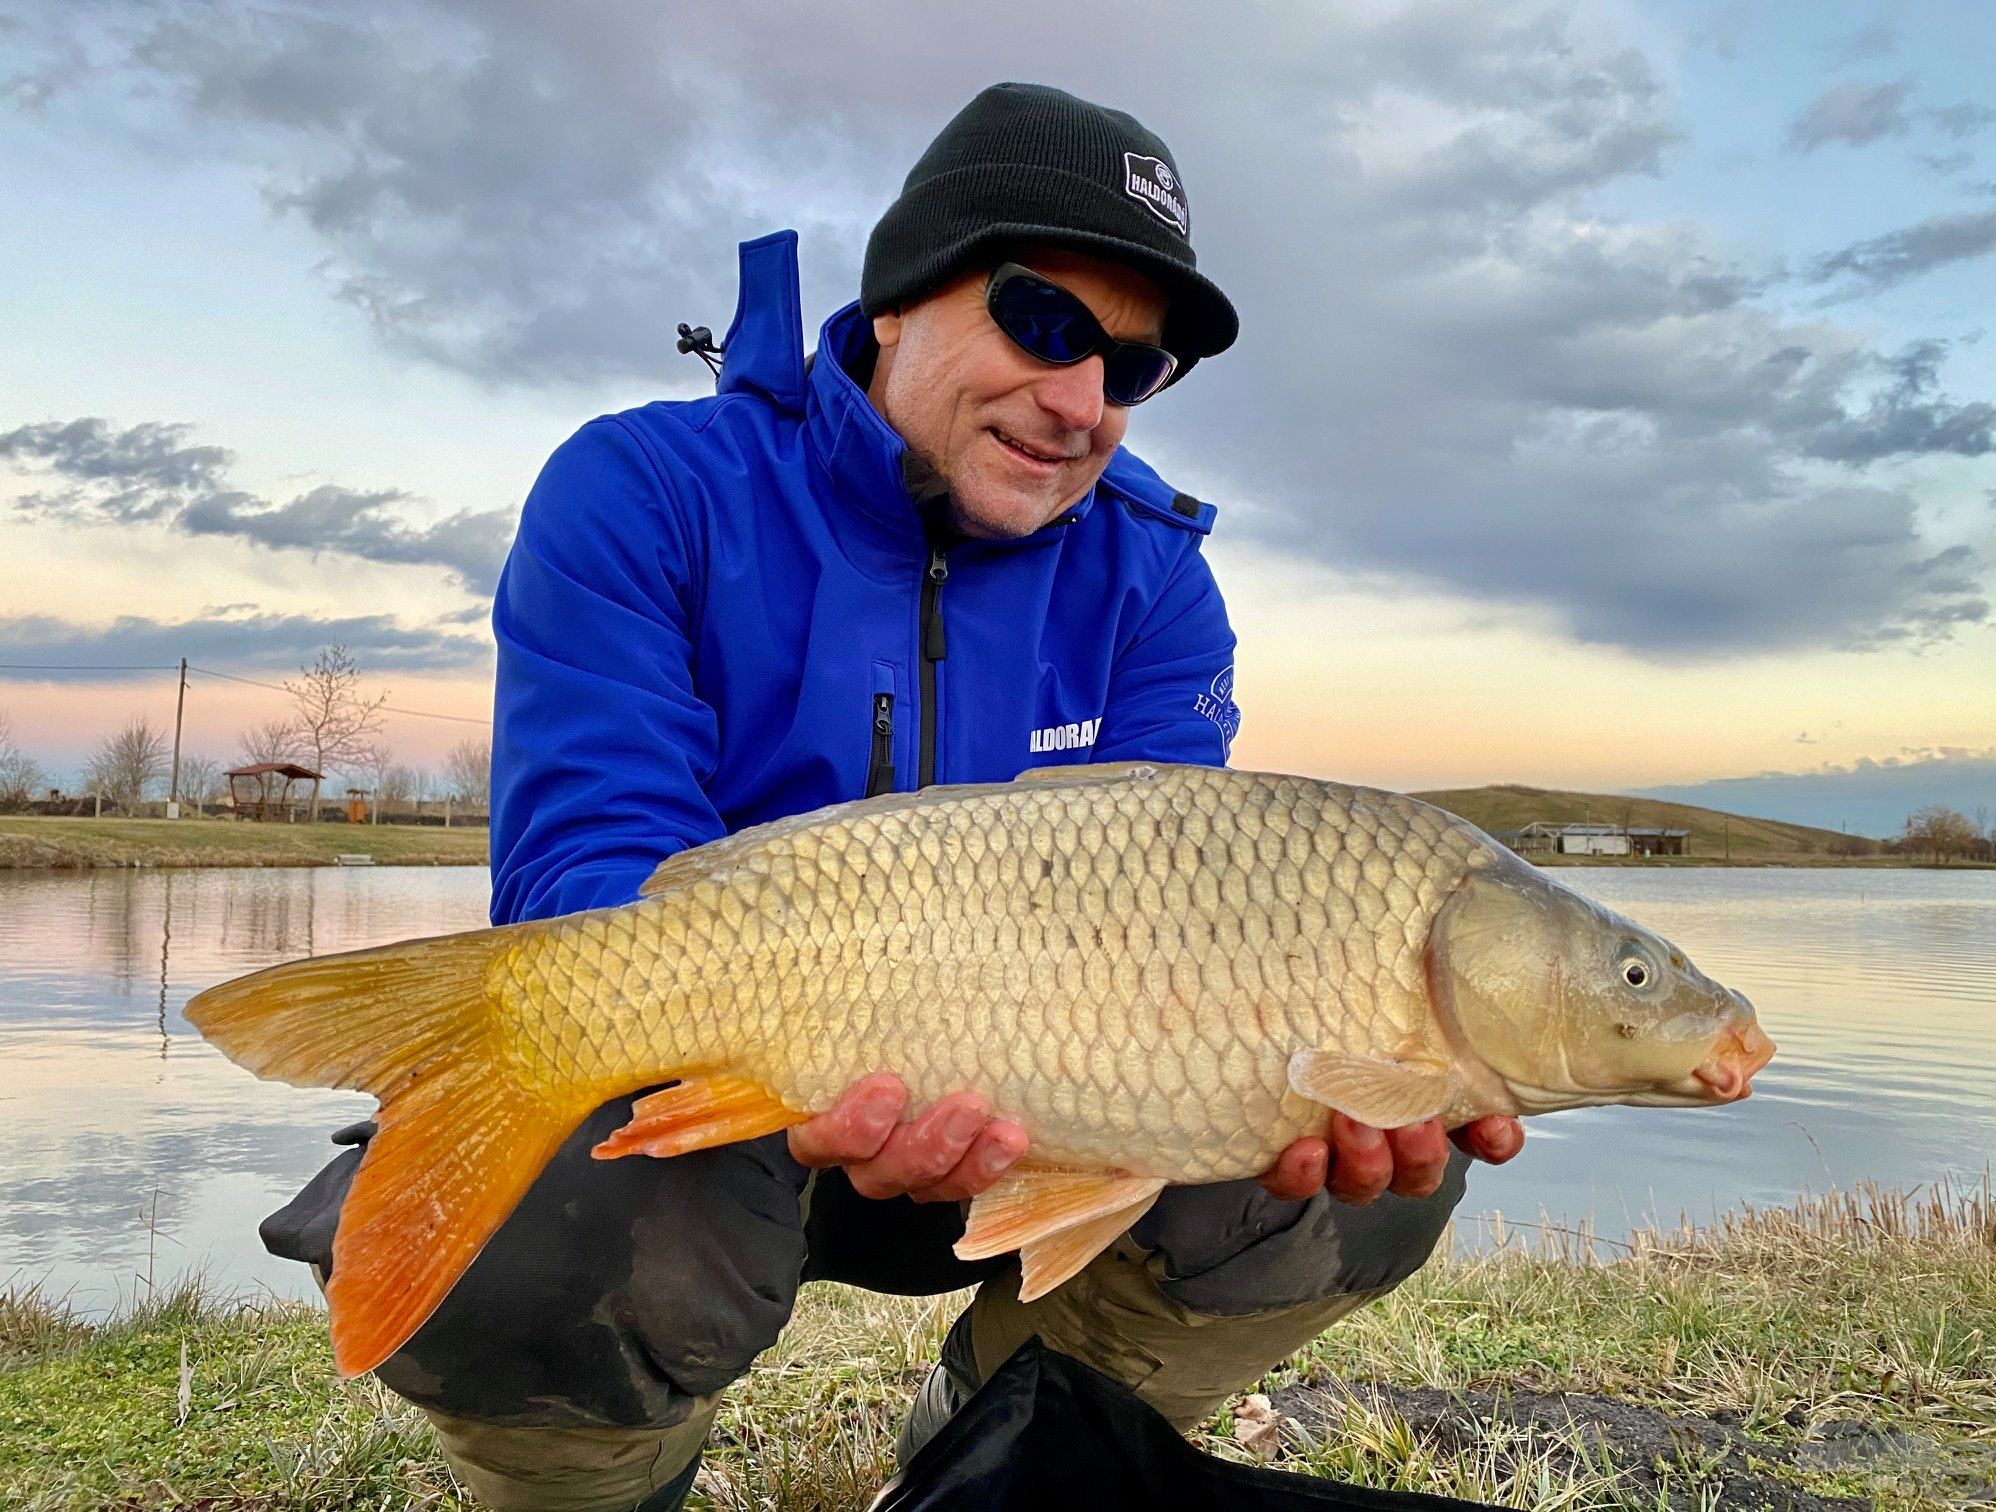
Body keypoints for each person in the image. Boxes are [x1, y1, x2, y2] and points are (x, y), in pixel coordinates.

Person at [262, 82, 1524, 1512]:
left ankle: (1002, 1431)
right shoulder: (644, 490)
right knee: (530, 1246)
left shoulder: (1155, 573)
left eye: (1134, 368)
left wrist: (1319, 1072)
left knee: (1352, 1182)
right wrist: (811, 1049)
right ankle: (607, 1484)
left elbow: (1182, 896)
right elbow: (586, 861)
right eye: (1046, 325)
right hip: (725, 1104)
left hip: (1045, 1102)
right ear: (901, 299)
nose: (1081, 402)